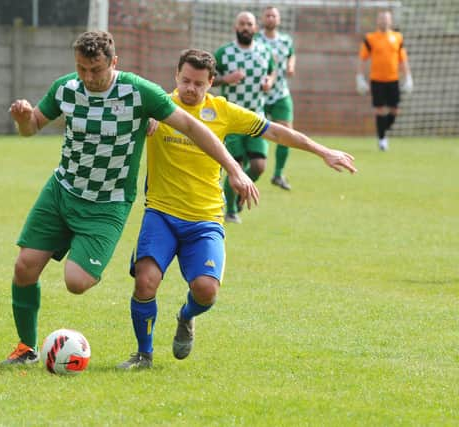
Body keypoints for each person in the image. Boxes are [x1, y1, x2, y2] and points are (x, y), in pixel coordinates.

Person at [3, 31, 258, 364]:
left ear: (114, 62)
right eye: (81, 68)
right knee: (25, 267)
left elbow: (194, 128)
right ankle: (26, 348)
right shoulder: (65, 87)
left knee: (76, 282)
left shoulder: (139, 92)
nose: (88, 78)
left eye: (96, 69)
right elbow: (33, 124)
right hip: (61, 191)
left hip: (107, 203)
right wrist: (24, 120)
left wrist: (234, 170)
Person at [117, 49, 357, 370]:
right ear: (176, 76)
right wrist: (142, 122)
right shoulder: (159, 106)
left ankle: (186, 317)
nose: (191, 88)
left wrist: (321, 150)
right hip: (160, 212)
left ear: (211, 82)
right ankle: (143, 354)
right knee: (145, 281)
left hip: (204, 219)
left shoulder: (222, 111)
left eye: (199, 84)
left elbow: (274, 130)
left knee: (206, 292)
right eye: (185, 80)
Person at [213, 11, 276, 224]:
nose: (246, 27)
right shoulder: (224, 53)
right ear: (235, 27)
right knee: (236, 167)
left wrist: (269, 81)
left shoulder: (265, 52)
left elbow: (272, 72)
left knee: (258, 166)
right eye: (242, 23)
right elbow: (208, 80)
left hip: (256, 118)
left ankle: (240, 192)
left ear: (255, 28)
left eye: (249, 24)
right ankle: (230, 210)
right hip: (231, 120)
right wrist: (226, 79)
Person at [356, 10, 413, 151]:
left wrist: (408, 77)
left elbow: (403, 59)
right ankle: (382, 140)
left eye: (386, 19)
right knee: (380, 110)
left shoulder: (398, 37)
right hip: (377, 80)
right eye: (381, 19)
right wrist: (359, 77)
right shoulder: (370, 38)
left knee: (395, 110)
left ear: (391, 21)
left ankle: (383, 130)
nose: (384, 21)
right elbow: (362, 58)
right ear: (377, 21)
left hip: (393, 79)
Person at [259, 6, 296, 191]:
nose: (271, 18)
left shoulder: (285, 40)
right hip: (259, 95)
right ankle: (251, 165)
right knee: (256, 131)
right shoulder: (256, 39)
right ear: (262, 19)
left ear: (279, 19)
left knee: (287, 133)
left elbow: (291, 55)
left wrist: (290, 66)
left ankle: (278, 174)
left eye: (274, 15)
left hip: (281, 92)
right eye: (268, 15)